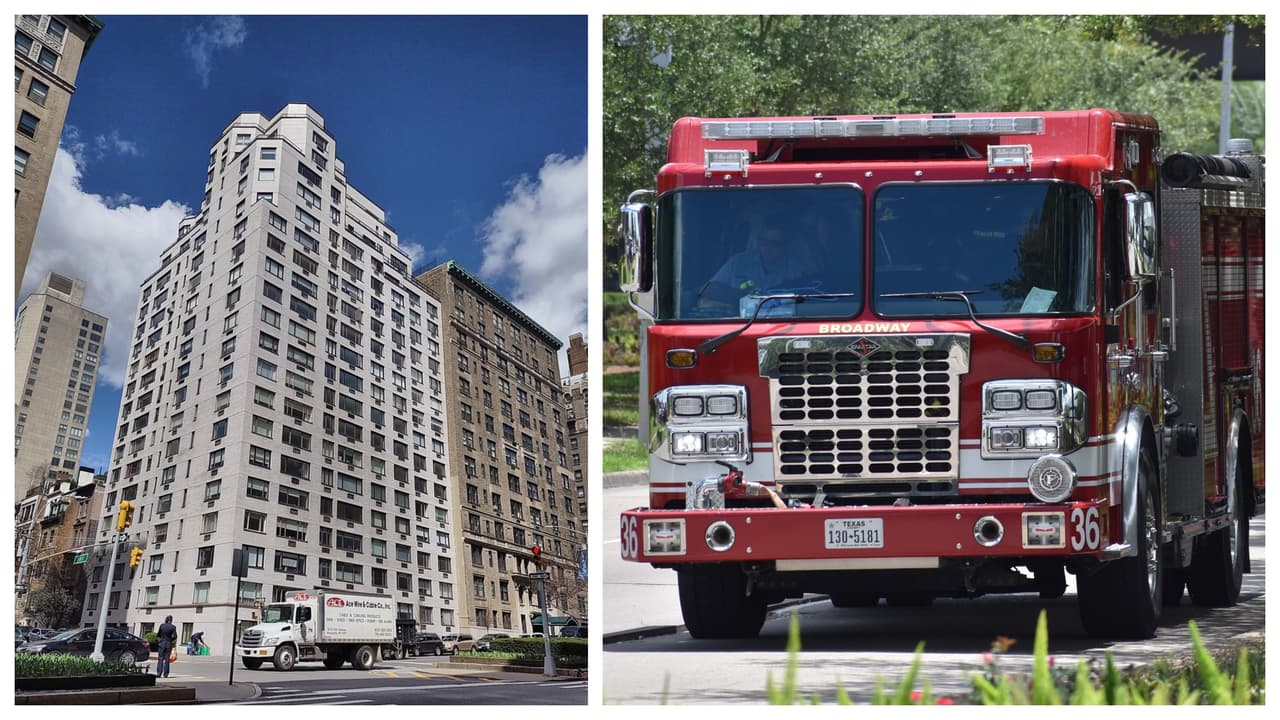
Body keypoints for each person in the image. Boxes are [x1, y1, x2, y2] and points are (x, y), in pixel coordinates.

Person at [697, 222, 815, 313]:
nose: (768, 248)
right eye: (764, 242)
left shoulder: (798, 270)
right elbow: (709, 290)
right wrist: (737, 296)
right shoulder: (738, 263)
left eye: (774, 244)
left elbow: (806, 302)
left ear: (786, 245)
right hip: (738, 322)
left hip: (780, 322)